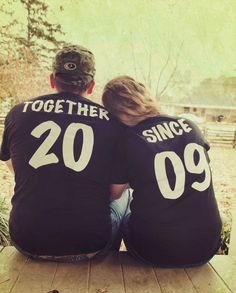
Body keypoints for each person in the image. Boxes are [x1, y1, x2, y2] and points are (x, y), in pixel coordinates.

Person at [0, 45, 129, 262]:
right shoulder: (111, 122)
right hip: (90, 244)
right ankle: (107, 263)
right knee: (125, 195)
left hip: (27, 240)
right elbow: (115, 192)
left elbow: (14, 166)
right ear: (91, 85)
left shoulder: (18, 113)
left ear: (52, 80)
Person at [102, 76, 222, 267]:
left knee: (122, 202)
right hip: (207, 247)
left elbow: (114, 193)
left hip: (155, 251)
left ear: (115, 114)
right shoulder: (190, 126)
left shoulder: (129, 141)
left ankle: (106, 265)